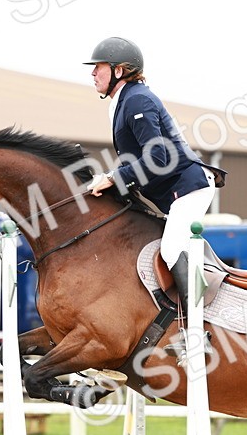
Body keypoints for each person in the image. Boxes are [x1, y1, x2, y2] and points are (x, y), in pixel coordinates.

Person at [83, 36, 225, 308]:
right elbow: (136, 161)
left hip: (190, 187)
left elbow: (157, 156)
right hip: (177, 189)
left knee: (172, 249)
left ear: (118, 70)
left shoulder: (137, 101)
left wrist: (114, 178)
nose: (92, 72)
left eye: (98, 66)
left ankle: (195, 328)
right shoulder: (126, 100)